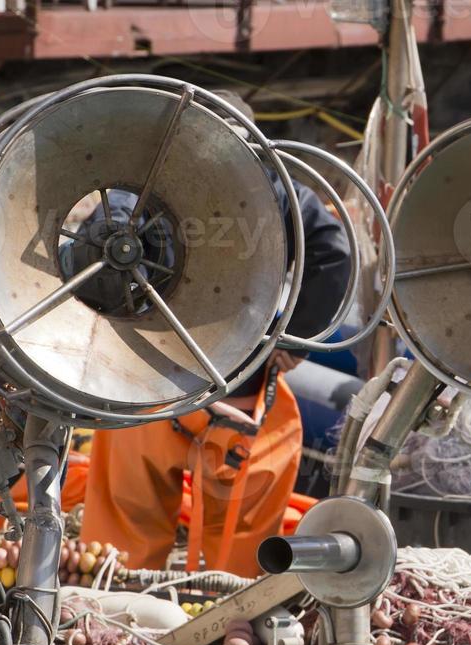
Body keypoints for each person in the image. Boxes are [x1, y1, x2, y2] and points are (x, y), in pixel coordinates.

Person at [77, 91, 351, 577]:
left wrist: (114, 320)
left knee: (123, 531)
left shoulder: (141, 183)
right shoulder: (280, 188)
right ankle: (233, 628)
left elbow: (92, 247)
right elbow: (333, 256)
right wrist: (292, 340)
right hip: (242, 390)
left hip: (145, 388)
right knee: (242, 547)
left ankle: (118, 616)